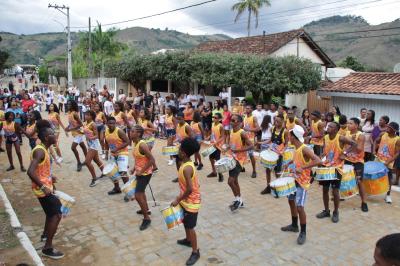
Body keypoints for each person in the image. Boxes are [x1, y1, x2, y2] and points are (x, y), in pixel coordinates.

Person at [27, 120, 64, 259]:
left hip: (46, 186)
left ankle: (45, 235)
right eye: (53, 134)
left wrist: (50, 176)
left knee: (51, 214)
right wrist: (43, 186)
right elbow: (30, 171)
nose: (55, 135)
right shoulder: (39, 151)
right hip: (43, 190)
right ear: (47, 137)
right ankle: (48, 247)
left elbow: (38, 169)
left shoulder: (44, 148)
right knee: (56, 215)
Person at [281, 125, 322, 245]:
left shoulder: (304, 148)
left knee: (300, 207)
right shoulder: (296, 147)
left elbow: (318, 160)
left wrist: (303, 168)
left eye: (290, 135)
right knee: (291, 201)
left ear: (293, 137)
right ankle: (294, 225)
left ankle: (303, 232)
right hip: (294, 179)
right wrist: (288, 163)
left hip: (302, 182)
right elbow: (296, 159)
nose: (289, 137)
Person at [316, 122, 355, 223]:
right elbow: (325, 150)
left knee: (335, 191)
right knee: (324, 189)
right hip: (326, 167)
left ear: (336, 129)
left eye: (331, 127)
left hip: (337, 168)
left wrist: (345, 153)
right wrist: (321, 156)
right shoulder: (325, 137)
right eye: (328, 126)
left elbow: (354, 144)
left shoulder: (341, 138)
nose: (328, 128)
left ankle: (336, 212)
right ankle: (326, 211)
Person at [171, 137, 201, 266]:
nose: (177, 150)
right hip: (186, 199)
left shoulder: (186, 168)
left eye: (179, 148)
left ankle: (195, 252)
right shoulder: (185, 163)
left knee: (190, 226)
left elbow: (189, 189)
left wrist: (178, 199)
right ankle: (188, 240)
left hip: (191, 202)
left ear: (183, 152)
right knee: (185, 222)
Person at [130, 125, 156, 231]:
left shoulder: (142, 145)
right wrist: (134, 168)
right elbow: (140, 158)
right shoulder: (135, 143)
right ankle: (146, 209)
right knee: (141, 193)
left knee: (137, 195)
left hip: (145, 174)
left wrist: (141, 171)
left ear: (138, 134)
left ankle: (146, 218)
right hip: (140, 173)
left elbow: (151, 159)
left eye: (132, 131)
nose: (130, 133)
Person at [226, 114, 254, 211]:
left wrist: (239, 151)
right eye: (231, 120)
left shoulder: (242, 133)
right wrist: (227, 148)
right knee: (235, 181)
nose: (231, 122)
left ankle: (237, 200)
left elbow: (251, 146)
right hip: (232, 159)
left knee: (230, 181)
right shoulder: (231, 131)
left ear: (239, 122)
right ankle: (239, 200)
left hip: (239, 160)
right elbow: (232, 145)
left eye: (233, 120)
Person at [344, 118, 368, 212]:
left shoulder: (360, 135)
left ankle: (364, 202)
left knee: (359, 181)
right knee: (343, 179)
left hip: (357, 161)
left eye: (351, 123)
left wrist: (352, 142)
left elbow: (359, 149)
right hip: (347, 160)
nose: (348, 125)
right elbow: (343, 146)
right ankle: (342, 195)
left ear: (357, 125)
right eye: (348, 123)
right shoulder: (346, 133)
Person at [261, 115, 288, 194]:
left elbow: (286, 144)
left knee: (277, 172)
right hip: (271, 152)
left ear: (282, 121)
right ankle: (268, 187)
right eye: (275, 121)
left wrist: (282, 151)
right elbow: (271, 139)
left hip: (278, 155)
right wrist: (262, 142)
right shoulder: (272, 128)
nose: (276, 123)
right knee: (267, 170)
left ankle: (278, 187)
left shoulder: (285, 131)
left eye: (278, 121)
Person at [374, 122, 400, 204]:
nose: (387, 129)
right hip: (378, 158)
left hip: (388, 161)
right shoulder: (383, 134)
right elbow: (375, 141)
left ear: (394, 130)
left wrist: (388, 161)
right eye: (387, 127)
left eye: (389, 128)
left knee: (389, 179)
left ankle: (388, 195)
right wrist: (374, 150)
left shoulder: (397, 139)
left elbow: (397, 153)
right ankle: (369, 190)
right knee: (373, 175)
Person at [105, 116, 130, 198]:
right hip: (113, 154)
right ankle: (117, 188)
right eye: (110, 123)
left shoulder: (119, 131)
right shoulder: (106, 131)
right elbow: (106, 142)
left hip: (122, 153)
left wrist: (117, 149)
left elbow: (127, 141)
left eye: (113, 123)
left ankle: (129, 191)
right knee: (113, 172)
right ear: (107, 124)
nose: (111, 125)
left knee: (123, 173)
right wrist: (106, 153)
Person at [83, 110, 104, 187]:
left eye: (88, 115)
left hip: (94, 144)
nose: (86, 116)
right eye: (86, 115)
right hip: (89, 144)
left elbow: (96, 136)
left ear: (92, 116)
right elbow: (85, 132)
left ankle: (94, 179)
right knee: (96, 160)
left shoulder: (93, 124)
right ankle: (104, 172)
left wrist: (90, 138)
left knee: (87, 162)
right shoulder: (85, 123)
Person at [172, 112, 195, 183]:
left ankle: (190, 179)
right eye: (177, 119)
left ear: (183, 118)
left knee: (185, 163)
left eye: (180, 119)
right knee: (177, 161)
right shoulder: (178, 125)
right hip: (178, 147)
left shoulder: (187, 126)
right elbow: (178, 135)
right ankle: (180, 176)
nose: (178, 120)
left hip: (185, 148)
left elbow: (192, 137)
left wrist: (185, 142)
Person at [65, 100, 87, 172]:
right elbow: (71, 123)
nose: (68, 105)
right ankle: (87, 160)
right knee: (83, 146)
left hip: (78, 132)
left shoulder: (75, 114)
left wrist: (71, 129)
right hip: (74, 133)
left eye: (70, 104)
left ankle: (79, 163)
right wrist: (67, 127)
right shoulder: (69, 113)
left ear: (73, 105)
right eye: (67, 104)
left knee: (73, 147)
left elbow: (81, 124)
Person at [207, 113, 224, 182]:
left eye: (216, 118)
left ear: (219, 119)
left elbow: (222, 137)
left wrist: (216, 142)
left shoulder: (221, 126)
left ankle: (220, 175)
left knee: (217, 161)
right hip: (212, 145)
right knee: (211, 158)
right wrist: (208, 137)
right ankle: (214, 172)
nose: (214, 118)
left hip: (218, 146)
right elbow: (212, 133)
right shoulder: (212, 124)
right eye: (213, 117)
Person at [243, 104, 260, 178]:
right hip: (244, 138)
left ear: (251, 110)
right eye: (246, 108)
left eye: (248, 108)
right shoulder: (245, 117)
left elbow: (258, 129)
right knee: (242, 153)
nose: (246, 109)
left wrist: (248, 129)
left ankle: (254, 171)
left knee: (251, 155)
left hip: (250, 140)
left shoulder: (254, 118)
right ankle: (242, 167)